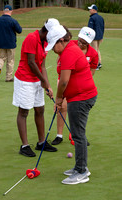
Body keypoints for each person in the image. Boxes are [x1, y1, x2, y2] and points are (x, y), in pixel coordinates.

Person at [46, 25, 97, 184]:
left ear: (61, 40)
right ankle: (79, 167)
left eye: (54, 45)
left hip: (81, 98)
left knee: (78, 135)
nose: (53, 49)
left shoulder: (69, 52)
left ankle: (82, 172)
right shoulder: (70, 49)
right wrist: (61, 99)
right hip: (79, 96)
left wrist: (59, 99)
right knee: (77, 134)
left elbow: (64, 81)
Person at [12, 21, 58, 157]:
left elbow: (42, 66)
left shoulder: (45, 42)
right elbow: (31, 62)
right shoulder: (31, 38)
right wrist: (43, 81)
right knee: (24, 111)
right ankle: (24, 146)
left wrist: (47, 85)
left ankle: (41, 142)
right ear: (47, 31)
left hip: (37, 80)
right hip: (24, 80)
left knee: (40, 109)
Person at [51, 26, 98, 146]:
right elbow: (60, 64)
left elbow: (90, 73)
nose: (81, 44)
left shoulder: (93, 54)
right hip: (63, 80)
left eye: (84, 42)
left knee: (78, 110)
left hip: (79, 86)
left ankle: (76, 134)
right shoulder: (69, 45)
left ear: (89, 42)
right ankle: (59, 135)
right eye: (80, 40)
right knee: (63, 107)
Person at [0, 5, 22, 82]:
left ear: (4, 11)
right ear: (11, 11)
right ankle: (8, 77)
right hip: (11, 44)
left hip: (0, 43)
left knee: (0, 58)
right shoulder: (13, 21)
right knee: (10, 60)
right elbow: (19, 30)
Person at [88, 4, 104, 70]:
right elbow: (103, 28)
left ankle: (96, 64)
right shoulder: (101, 17)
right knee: (97, 49)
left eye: (90, 9)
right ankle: (99, 63)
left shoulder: (92, 18)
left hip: (94, 37)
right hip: (100, 36)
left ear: (94, 10)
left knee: (94, 50)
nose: (89, 10)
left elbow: (90, 29)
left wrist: (88, 37)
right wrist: (102, 36)